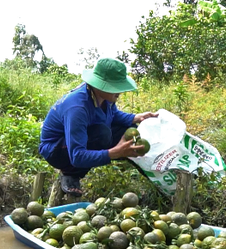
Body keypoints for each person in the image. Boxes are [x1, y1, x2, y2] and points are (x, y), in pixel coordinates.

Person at [39, 58, 158, 197]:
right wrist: (114, 152)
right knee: (102, 134)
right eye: (116, 87)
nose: (120, 92)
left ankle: (157, 179)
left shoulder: (104, 98)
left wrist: (135, 117)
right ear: (101, 85)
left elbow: (113, 115)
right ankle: (71, 173)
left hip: (80, 137)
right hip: (57, 150)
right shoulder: (77, 108)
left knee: (130, 129)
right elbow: (77, 156)